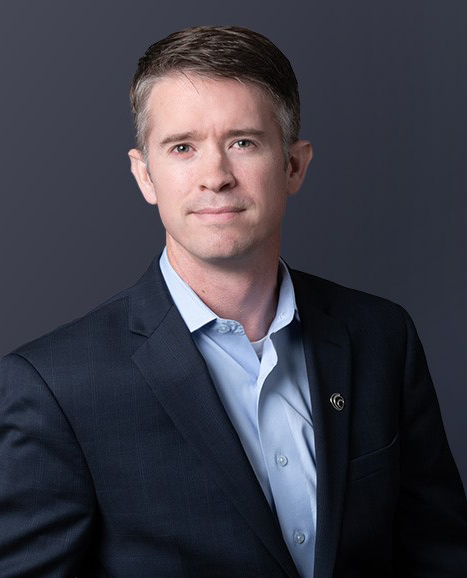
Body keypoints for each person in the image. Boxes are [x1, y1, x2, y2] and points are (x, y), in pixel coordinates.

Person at [0, 25, 466, 578]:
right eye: (182, 148)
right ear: (145, 175)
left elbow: (440, 557)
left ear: (293, 166)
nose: (215, 177)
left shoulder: (382, 337)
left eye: (243, 142)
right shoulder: (56, 387)